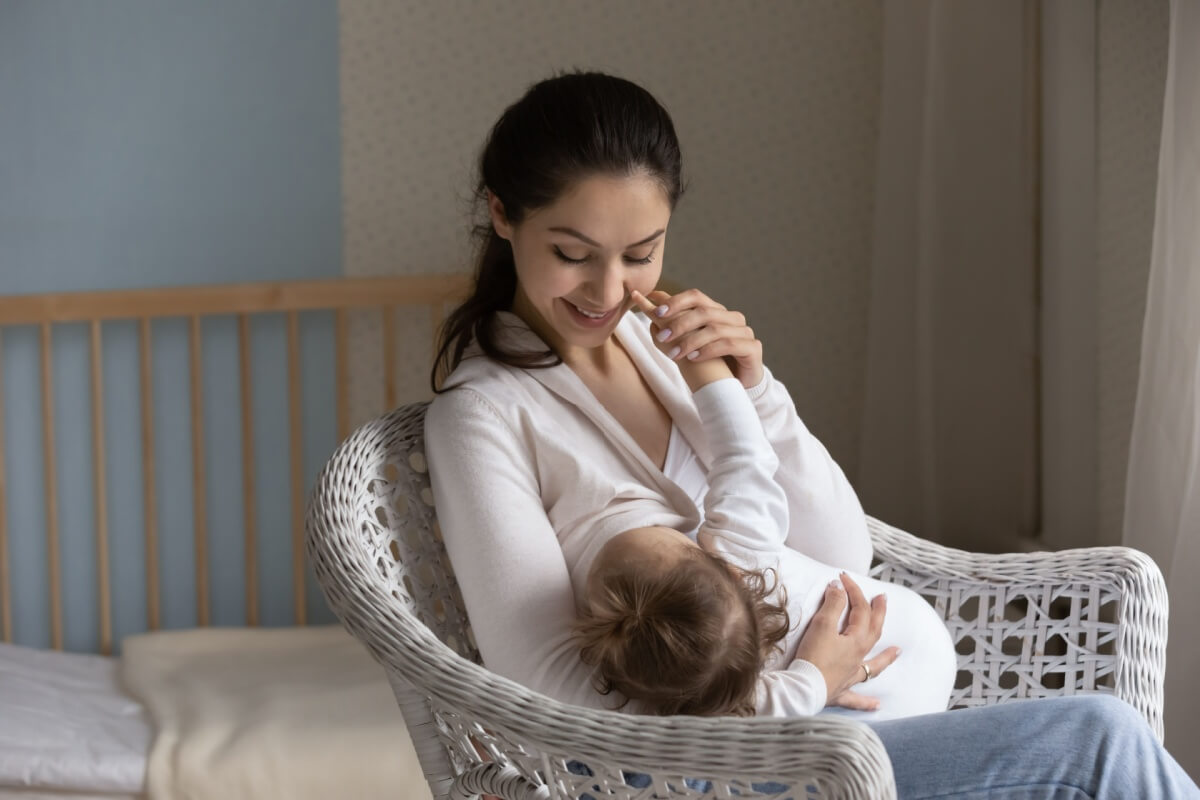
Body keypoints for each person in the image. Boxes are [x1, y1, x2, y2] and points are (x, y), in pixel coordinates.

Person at [424, 70, 1199, 798]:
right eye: (571, 254)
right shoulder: (483, 417)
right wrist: (797, 691)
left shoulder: (657, 350)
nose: (608, 290)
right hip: (726, 767)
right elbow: (553, 697)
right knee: (1098, 742)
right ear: (502, 214)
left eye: (640, 254)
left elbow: (842, 547)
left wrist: (754, 389)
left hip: (830, 725)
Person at [574, 289, 955, 719]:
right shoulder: (744, 550)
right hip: (904, 649)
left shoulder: (698, 689)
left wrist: (811, 682)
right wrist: (700, 364)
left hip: (892, 666)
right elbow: (743, 451)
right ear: (731, 571)